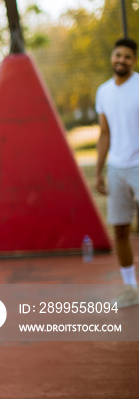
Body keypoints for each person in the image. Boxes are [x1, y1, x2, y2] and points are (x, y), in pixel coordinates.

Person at [95, 37, 139, 308]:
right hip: (116, 168)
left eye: (127, 56)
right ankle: (131, 289)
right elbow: (104, 133)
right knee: (120, 229)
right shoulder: (103, 92)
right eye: (118, 55)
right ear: (112, 57)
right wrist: (99, 171)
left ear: (133, 61)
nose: (121, 60)